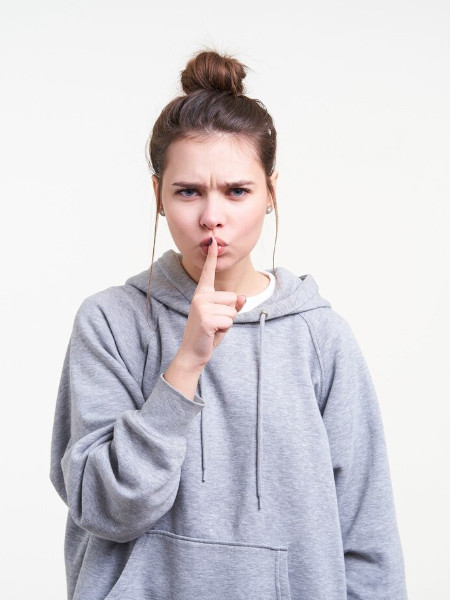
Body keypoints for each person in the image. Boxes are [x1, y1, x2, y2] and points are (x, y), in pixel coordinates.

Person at [50, 49, 408, 600]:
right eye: (188, 191)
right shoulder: (112, 323)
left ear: (270, 193)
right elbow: (106, 509)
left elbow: (366, 536)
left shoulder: (320, 336)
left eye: (237, 191)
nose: (211, 216)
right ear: (157, 196)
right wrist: (185, 364)